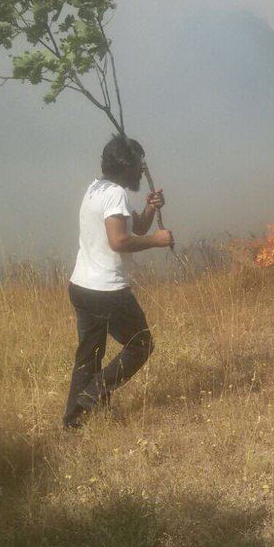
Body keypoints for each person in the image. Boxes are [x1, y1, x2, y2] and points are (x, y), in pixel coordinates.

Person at [63, 136, 173, 429]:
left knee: (89, 356)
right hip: (106, 291)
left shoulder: (95, 189)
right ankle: (93, 394)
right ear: (127, 165)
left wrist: (150, 208)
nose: (141, 171)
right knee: (141, 345)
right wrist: (157, 241)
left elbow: (133, 226)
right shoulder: (115, 195)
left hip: (81, 286)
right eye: (139, 164)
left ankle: (73, 421)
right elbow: (119, 240)